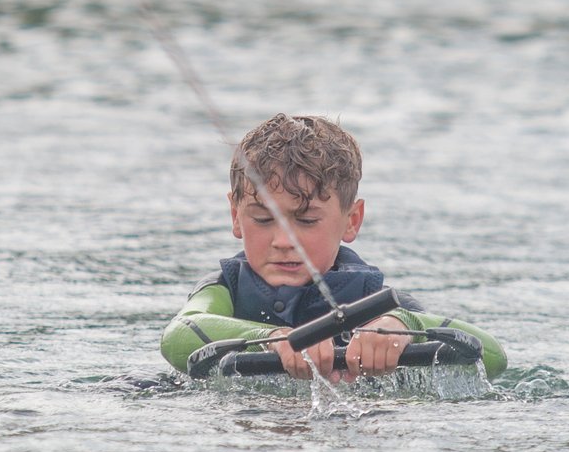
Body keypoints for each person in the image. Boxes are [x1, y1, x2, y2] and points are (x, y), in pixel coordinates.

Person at [160, 114, 506, 380]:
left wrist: (401, 327)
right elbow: (178, 334)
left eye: (307, 221)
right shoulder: (225, 290)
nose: (283, 242)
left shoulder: (376, 303)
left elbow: (492, 357)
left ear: (352, 221)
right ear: (236, 217)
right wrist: (273, 338)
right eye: (263, 220)